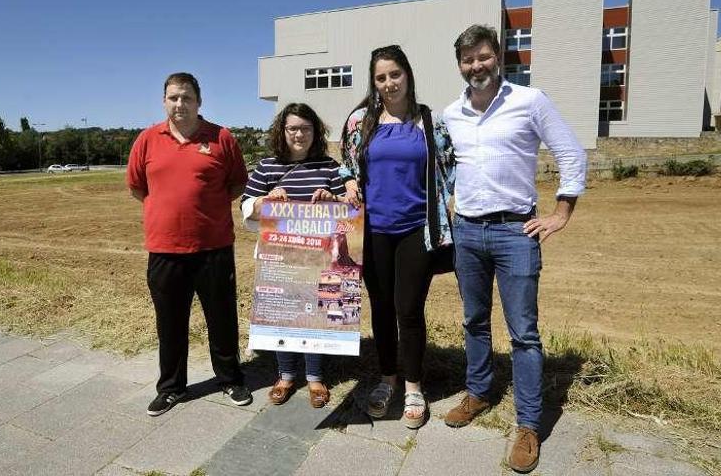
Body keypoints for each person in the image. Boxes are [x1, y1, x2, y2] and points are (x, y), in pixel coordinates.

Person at [441, 25, 587, 472]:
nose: (476, 66)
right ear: (460, 65)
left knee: (524, 333)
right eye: (467, 60)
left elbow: (570, 153)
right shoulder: (452, 113)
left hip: (515, 233)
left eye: (483, 57)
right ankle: (480, 392)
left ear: (498, 56)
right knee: (473, 320)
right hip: (467, 232)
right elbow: (449, 163)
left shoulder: (529, 100)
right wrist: (452, 199)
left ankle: (527, 424)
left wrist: (561, 212)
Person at [340, 45, 454, 429]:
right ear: (374, 83)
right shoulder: (361, 121)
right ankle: (387, 379)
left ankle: (414, 387)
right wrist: (350, 184)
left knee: (408, 309)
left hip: (415, 232)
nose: (389, 83)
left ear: (407, 74)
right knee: (382, 308)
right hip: (373, 233)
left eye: (395, 74)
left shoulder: (430, 123)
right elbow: (347, 168)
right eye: (381, 77)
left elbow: (451, 170)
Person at [126, 72, 252, 417]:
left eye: (186, 97)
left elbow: (236, 184)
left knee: (222, 319)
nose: (179, 104)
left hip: (213, 249)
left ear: (199, 101)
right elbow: (138, 188)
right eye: (173, 97)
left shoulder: (221, 138)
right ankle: (171, 388)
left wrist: (202, 210)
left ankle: (230, 378)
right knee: (170, 323)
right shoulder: (148, 139)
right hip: (165, 251)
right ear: (164, 101)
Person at [241, 102, 346, 408]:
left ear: (315, 131)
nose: (299, 134)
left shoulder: (329, 167)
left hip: (320, 256)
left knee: (315, 314)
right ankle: (285, 374)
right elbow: (246, 207)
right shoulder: (266, 167)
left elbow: (346, 212)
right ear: (282, 131)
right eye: (293, 128)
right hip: (280, 256)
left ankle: (314, 377)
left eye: (305, 128)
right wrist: (265, 201)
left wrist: (332, 199)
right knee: (283, 312)